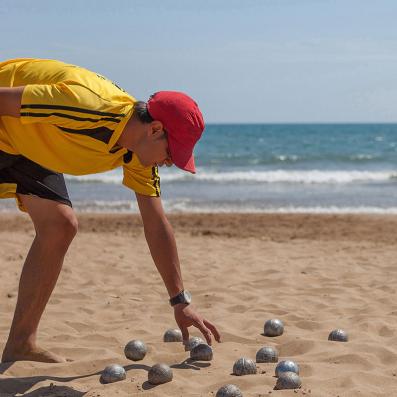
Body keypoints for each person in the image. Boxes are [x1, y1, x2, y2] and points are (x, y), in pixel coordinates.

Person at [0, 58, 221, 363]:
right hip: (6, 119)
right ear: (155, 129)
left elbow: (156, 224)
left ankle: (21, 344)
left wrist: (179, 301)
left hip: (28, 141)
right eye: (172, 154)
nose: (170, 162)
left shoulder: (137, 153)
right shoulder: (86, 104)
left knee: (60, 225)